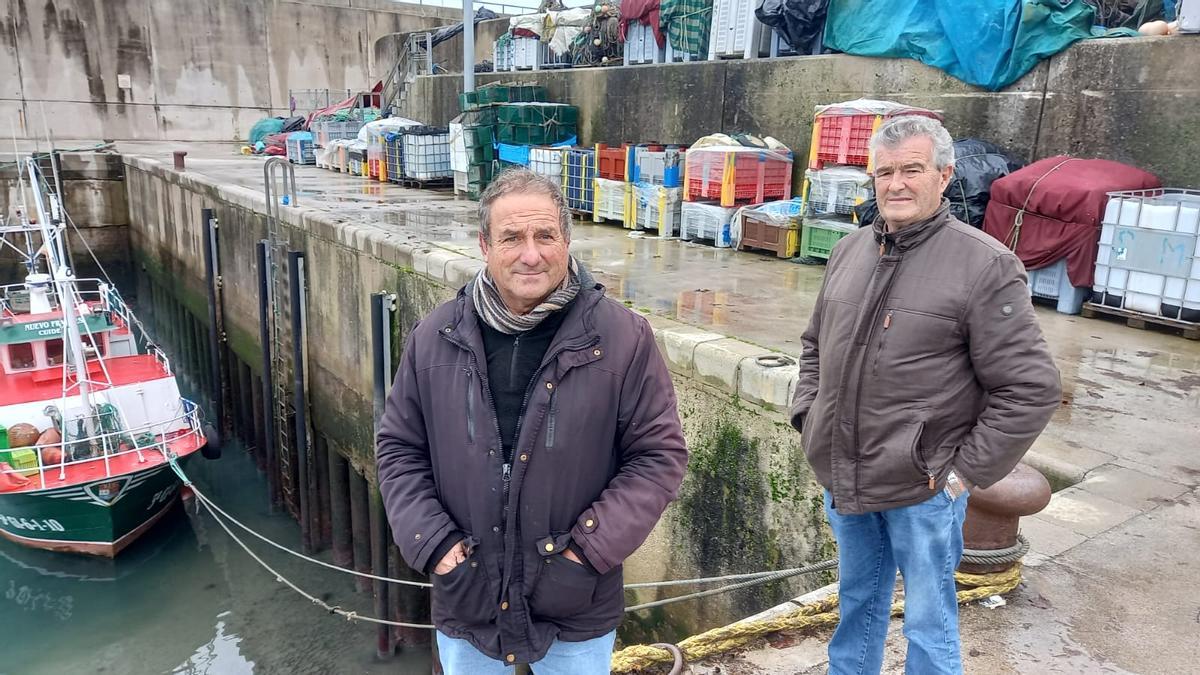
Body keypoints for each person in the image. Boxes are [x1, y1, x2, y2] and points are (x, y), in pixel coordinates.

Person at [377, 168, 688, 674]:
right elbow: (399, 449)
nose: (531, 254)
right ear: (484, 245)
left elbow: (658, 457)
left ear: (566, 239)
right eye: (512, 238)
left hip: (577, 599)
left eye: (546, 235)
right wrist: (435, 545)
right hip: (468, 594)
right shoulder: (435, 336)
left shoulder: (624, 338)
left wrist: (585, 553)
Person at [790, 115, 1061, 674]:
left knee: (928, 623)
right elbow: (815, 344)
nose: (896, 185)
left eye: (912, 170)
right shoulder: (848, 252)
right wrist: (807, 414)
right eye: (884, 172)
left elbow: (1030, 389)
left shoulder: (985, 265)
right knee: (857, 607)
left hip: (924, 487)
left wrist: (962, 475)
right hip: (845, 475)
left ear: (944, 175)